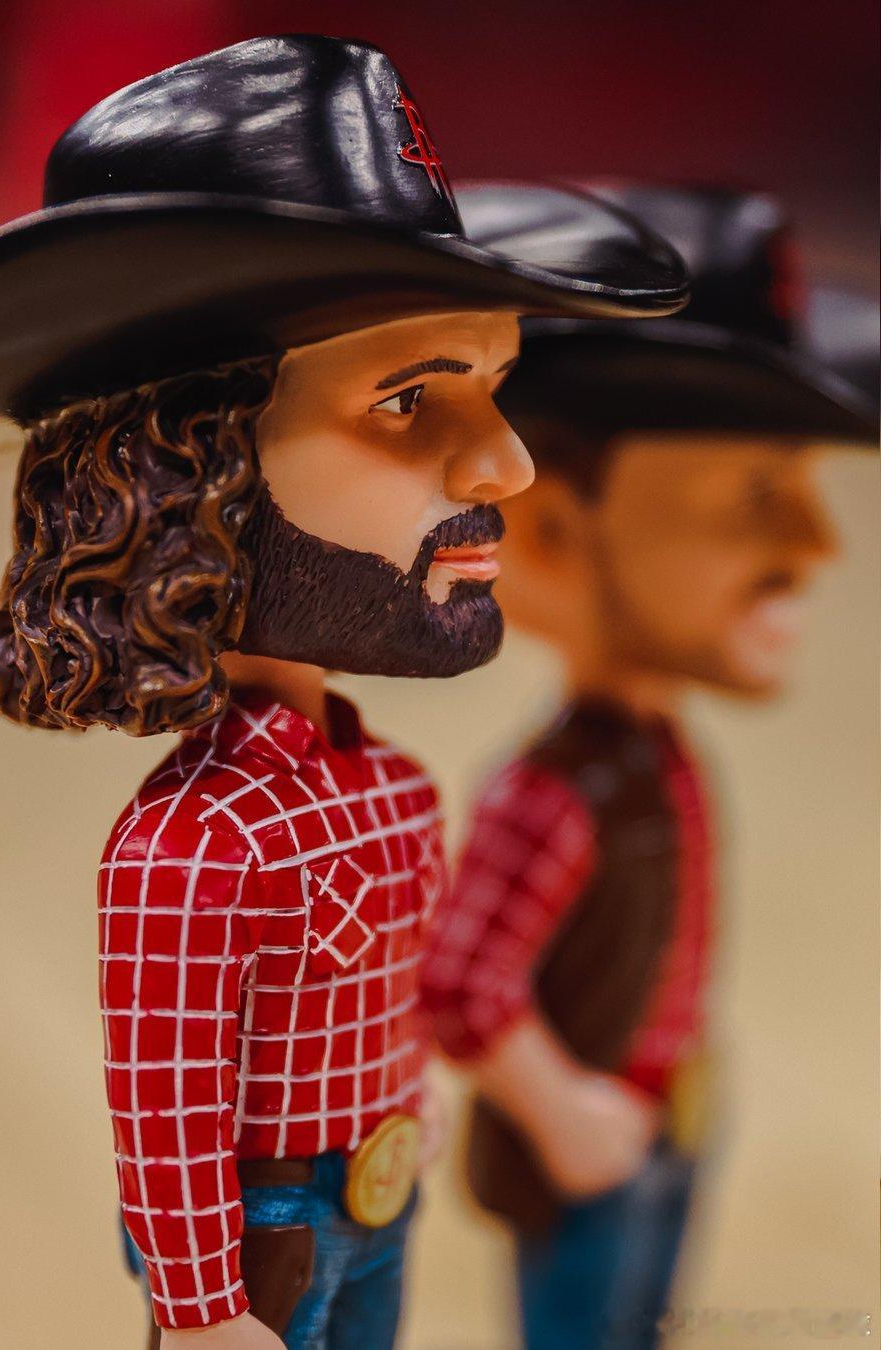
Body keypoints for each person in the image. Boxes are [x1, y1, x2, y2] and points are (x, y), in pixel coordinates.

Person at [0, 41, 686, 1349]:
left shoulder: (389, 790)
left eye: (493, 388)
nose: (508, 463)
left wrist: (409, 1103)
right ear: (202, 464)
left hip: (376, 1193)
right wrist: (200, 1311)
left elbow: (388, 994)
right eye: (407, 400)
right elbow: (169, 1102)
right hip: (263, 1237)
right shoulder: (193, 846)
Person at [422, 185, 878, 1350]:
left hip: (669, 1115)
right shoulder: (552, 795)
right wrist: (562, 1108)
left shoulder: (653, 757)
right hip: (600, 1137)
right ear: (550, 537)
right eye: (757, 493)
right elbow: (461, 982)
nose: (817, 545)